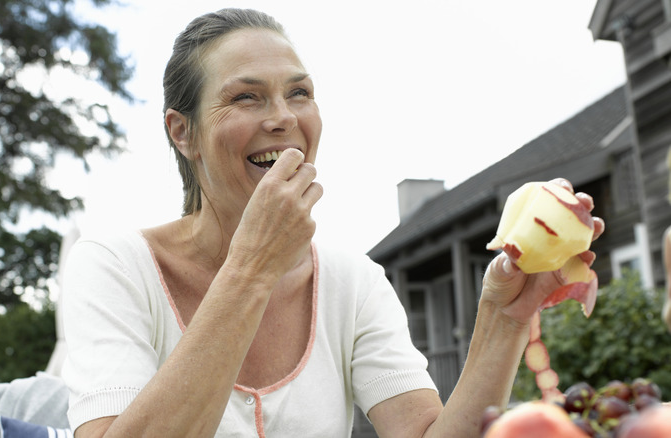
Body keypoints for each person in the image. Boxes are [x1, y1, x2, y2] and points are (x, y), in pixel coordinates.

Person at [60, 8, 605, 437]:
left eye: (299, 93)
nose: (283, 118)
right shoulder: (113, 267)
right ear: (183, 133)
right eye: (245, 97)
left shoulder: (353, 281)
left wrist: (503, 316)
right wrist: (251, 267)